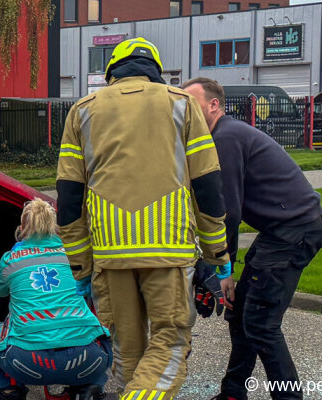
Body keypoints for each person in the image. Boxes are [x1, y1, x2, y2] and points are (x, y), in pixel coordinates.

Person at [56, 37, 231, 399]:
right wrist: (217, 255)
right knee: (169, 344)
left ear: (111, 73)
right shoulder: (182, 104)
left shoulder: (83, 111)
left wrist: (81, 266)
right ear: (155, 71)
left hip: (109, 255)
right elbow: (208, 185)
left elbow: (69, 196)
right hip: (168, 250)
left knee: (128, 354)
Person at [182, 77, 322, 400]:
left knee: (261, 323)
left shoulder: (224, 138)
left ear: (213, 105)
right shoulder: (222, 136)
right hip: (281, 230)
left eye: (191, 104)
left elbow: (227, 213)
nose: (185, 112)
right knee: (241, 310)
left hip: (294, 231)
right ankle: (233, 392)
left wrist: (222, 271)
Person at [0, 199, 112, 400]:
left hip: (26, 363)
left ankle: (9, 391)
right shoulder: (73, 255)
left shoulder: (11, 259)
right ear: (54, 225)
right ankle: (89, 390)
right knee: (104, 331)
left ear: (23, 227)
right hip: (87, 361)